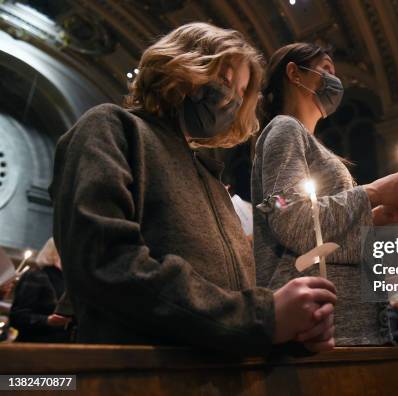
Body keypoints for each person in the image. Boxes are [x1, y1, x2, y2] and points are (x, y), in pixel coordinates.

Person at [50, 23, 336, 354]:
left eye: (242, 93)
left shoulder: (211, 180)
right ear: (183, 65)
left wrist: (291, 333)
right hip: (137, 375)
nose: (232, 100)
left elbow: (231, 305)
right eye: (225, 81)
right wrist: (263, 317)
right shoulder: (113, 128)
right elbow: (105, 263)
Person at [252, 43, 398, 345]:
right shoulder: (284, 129)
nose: (334, 80)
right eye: (325, 69)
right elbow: (290, 216)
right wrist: (372, 193)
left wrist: (374, 217)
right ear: (294, 73)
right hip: (319, 324)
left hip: (344, 321)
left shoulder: (306, 139)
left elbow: (324, 236)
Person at [9, 239, 71, 342]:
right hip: (35, 348)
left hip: (62, 349)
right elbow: (17, 317)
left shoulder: (69, 281)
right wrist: (47, 320)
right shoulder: (35, 276)